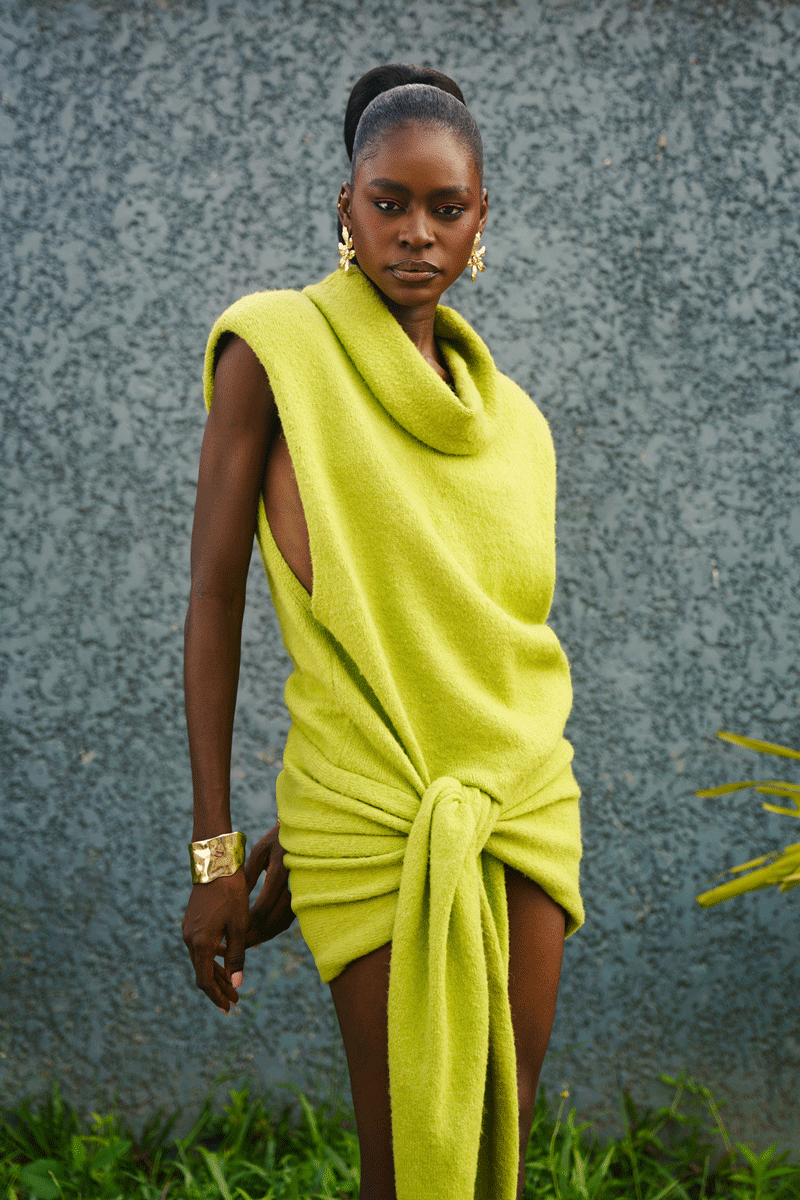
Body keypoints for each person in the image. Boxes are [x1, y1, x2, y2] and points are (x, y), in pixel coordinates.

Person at [182, 63, 584, 1200]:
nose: (415, 233)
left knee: (495, 1149)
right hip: (367, 813)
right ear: (345, 210)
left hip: (520, 807)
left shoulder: (518, 429)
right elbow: (212, 599)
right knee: (403, 1170)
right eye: (387, 202)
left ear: (480, 221)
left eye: (443, 207)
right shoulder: (274, 349)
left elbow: (500, 638)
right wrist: (214, 849)